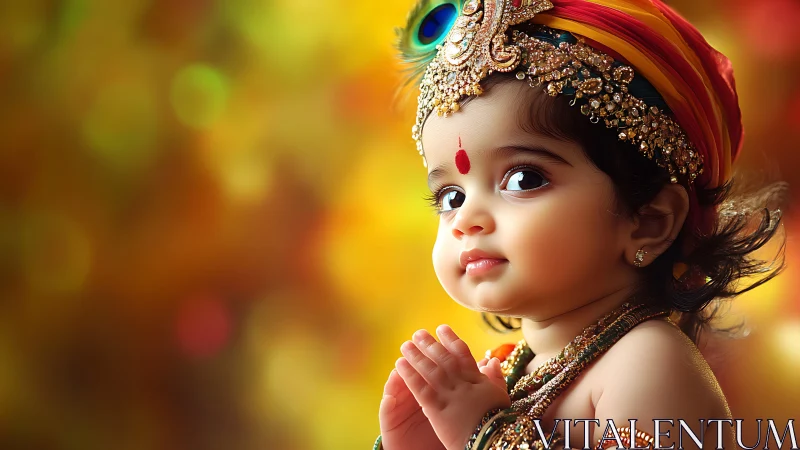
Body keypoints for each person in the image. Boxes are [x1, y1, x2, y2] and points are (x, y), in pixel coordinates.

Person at [374, 0, 786, 448]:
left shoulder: (647, 361)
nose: (467, 219)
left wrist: (482, 431)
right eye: (450, 197)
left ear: (649, 220)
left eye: (523, 179)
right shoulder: (512, 369)